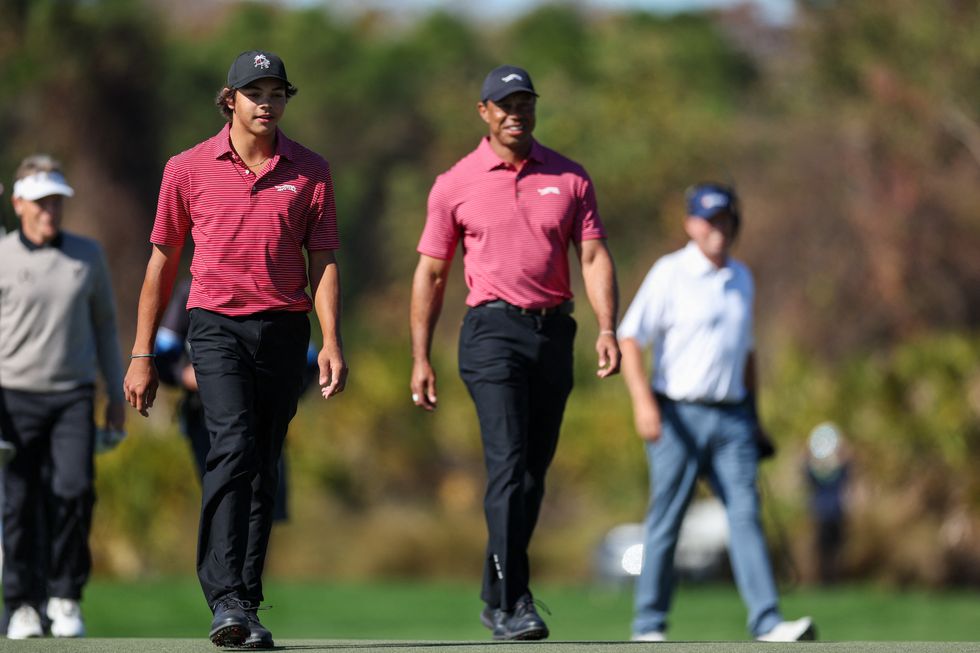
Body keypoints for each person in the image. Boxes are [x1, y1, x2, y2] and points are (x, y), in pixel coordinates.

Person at [123, 50, 347, 649]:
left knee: (264, 459)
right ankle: (222, 594)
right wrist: (142, 353)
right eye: (255, 93)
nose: (266, 103)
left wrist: (330, 340)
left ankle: (245, 602)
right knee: (233, 445)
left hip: (284, 328)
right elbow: (163, 262)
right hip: (215, 326)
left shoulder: (311, 171)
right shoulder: (188, 168)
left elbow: (322, 261)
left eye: (276, 92)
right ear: (231, 99)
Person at [410, 65, 621, 641]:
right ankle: (512, 603)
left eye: (524, 102)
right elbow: (431, 273)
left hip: (554, 334)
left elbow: (595, 257)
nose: (515, 112)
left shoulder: (570, 178)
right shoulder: (455, 183)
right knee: (506, 466)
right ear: (484, 112)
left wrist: (607, 327)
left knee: (531, 476)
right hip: (491, 333)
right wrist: (420, 356)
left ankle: (493, 588)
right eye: (504, 104)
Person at [618, 183, 815, 642]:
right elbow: (630, 338)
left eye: (725, 220)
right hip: (677, 415)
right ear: (690, 224)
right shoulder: (670, 273)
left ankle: (766, 621)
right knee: (667, 519)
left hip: (733, 419)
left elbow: (746, 353)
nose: (718, 230)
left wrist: (755, 415)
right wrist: (643, 404)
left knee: (746, 513)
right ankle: (649, 625)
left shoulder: (742, 278)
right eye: (709, 221)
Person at [0, 154, 126, 639]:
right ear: (18, 204)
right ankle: (22, 604)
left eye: (56, 201)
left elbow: (104, 326)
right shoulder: (4, 257)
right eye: (39, 202)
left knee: (74, 491)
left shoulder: (87, 255)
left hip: (72, 396)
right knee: (19, 502)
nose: (49, 210)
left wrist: (114, 394)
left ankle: (65, 596)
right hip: (13, 397)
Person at [155, 277, 320, 522]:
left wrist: (278, 393)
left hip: (262, 418)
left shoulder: (269, 287)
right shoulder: (192, 291)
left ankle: (251, 559)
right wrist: (189, 375)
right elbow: (163, 354)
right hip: (207, 419)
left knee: (261, 507)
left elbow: (308, 361)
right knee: (226, 503)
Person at [805, 421, 849, 585]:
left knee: (836, 549)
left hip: (836, 512)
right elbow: (808, 475)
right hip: (820, 512)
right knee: (822, 549)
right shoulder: (817, 471)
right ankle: (824, 580)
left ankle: (834, 580)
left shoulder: (838, 469)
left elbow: (846, 471)